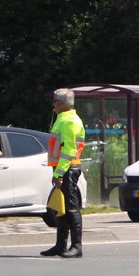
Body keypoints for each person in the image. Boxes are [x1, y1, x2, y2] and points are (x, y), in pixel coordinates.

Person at [42, 88, 86, 258]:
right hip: (63, 168)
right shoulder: (62, 119)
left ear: (61, 104)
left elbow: (68, 150)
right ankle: (60, 246)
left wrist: (59, 173)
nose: (53, 105)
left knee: (71, 208)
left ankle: (76, 247)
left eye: (55, 102)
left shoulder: (69, 121)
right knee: (60, 207)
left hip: (68, 168)